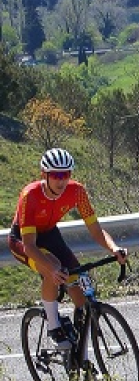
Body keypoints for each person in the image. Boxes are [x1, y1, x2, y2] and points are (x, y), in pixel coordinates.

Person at [10, 149, 127, 351]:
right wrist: (52, 269)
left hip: (50, 235)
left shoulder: (77, 192)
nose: (61, 181)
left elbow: (96, 230)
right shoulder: (31, 195)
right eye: (56, 175)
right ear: (44, 175)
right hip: (23, 240)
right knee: (53, 268)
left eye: (66, 174)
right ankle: (54, 326)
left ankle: (81, 356)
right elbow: (29, 245)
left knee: (80, 289)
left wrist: (114, 248)